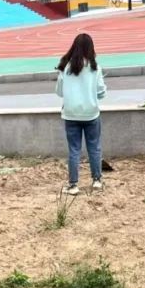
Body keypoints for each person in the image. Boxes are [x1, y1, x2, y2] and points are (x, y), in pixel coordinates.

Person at [55, 33, 106, 195]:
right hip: (91, 113)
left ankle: (73, 185)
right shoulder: (95, 67)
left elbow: (59, 92)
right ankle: (97, 180)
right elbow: (101, 92)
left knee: (74, 150)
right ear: (91, 48)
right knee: (94, 147)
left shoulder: (65, 67)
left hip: (71, 114)